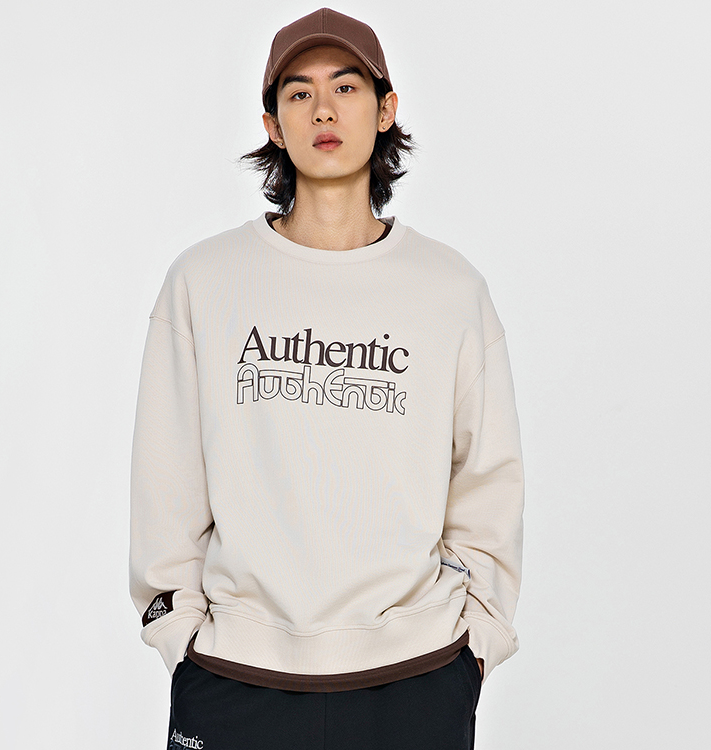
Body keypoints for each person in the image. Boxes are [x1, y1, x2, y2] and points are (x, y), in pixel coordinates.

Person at [129, 7, 524, 749]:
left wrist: (478, 643)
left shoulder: (449, 290)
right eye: (299, 93)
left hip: (415, 674)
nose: (323, 110)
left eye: (345, 87)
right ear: (273, 125)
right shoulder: (205, 281)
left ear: (386, 109)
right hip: (235, 674)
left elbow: (487, 479)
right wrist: (178, 630)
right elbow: (166, 471)